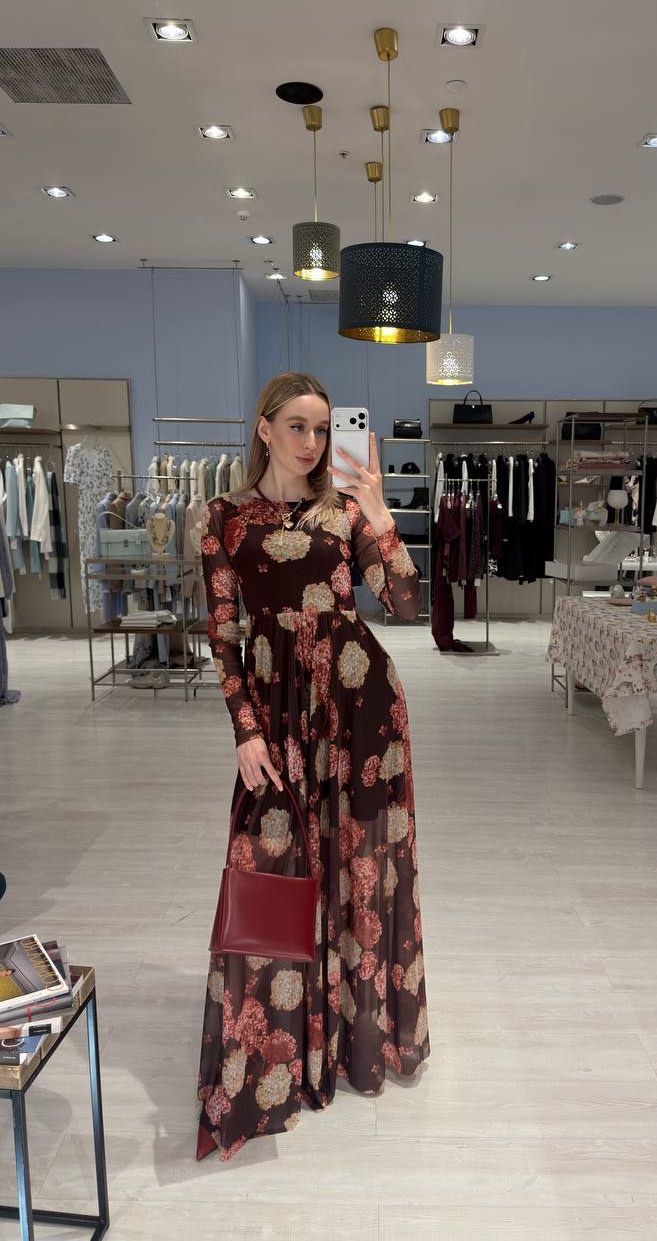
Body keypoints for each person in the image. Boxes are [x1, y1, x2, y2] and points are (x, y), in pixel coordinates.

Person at [195, 371, 429, 1161]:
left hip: (361, 711)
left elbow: (405, 605)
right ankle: (270, 1054)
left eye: (322, 429)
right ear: (264, 428)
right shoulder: (224, 519)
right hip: (276, 715)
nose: (312, 442)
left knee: (359, 866)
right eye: (297, 426)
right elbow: (224, 633)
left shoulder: (344, 511)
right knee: (266, 864)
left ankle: (347, 1044)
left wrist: (383, 518)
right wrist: (244, 730)